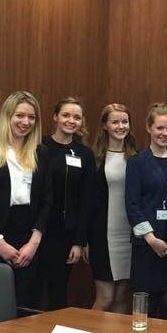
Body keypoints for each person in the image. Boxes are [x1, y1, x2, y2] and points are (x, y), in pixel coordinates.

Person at [0, 90, 52, 310]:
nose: (25, 122)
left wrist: (34, 243)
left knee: (27, 304)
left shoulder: (41, 152)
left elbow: (47, 200)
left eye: (31, 117)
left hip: (30, 237)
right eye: (19, 115)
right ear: (8, 116)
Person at [126, 104, 167, 321]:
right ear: (149, 128)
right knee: (147, 306)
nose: (165, 134)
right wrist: (151, 239)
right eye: (160, 128)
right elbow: (132, 204)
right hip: (147, 246)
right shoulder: (137, 162)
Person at [37, 97, 95, 310]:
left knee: (58, 292)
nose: (71, 120)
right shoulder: (39, 146)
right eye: (66, 115)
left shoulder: (84, 154)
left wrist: (79, 242)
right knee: (32, 289)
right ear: (55, 117)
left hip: (65, 235)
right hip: (36, 232)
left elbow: (86, 201)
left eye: (77, 117)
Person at [89, 103, 138, 313]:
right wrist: (83, 240)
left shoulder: (136, 157)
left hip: (129, 236)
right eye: (115, 122)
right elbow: (88, 203)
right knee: (106, 298)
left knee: (120, 297)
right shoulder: (94, 158)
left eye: (124, 121)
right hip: (103, 236)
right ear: (105, 125)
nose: (121, 126)